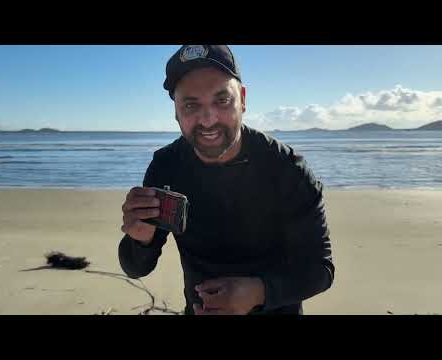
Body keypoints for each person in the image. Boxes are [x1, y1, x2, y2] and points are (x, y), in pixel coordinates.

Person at [118, 45, 334, 315]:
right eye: (190, 105)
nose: (208, 119)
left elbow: (320, 270)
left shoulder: (286, 169)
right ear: (175, 110)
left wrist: (258, 292)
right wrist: (141, 241)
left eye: (222, 101)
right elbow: (135, 267)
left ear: (242, 99)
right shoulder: (167, 166)